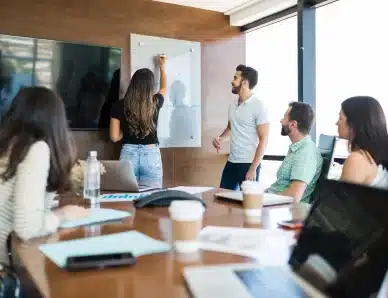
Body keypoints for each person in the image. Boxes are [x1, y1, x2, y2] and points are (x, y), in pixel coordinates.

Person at [0, 87, 90, 265]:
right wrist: (64, 214)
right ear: (56, 121)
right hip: (8, 265)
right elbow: (26, 229)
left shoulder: (11, 145)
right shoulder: (36, 149)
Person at [110, 55, 167, 188]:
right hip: (151, 154)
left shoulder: (118, 105)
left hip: (128, 153)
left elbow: (114, 137)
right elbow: (164, 89)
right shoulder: (155, 102)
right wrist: (162, 67)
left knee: (126, 198)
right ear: (150, 86)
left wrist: (127, 130)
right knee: (152, 197)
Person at [212, 64, 269, 190]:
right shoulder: (232, 105)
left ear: (244, 82)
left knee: (247, 206)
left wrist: (254, 168)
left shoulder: (258, 105)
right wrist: (220, 139)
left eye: (235, 78)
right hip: (231, 162)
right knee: (223, 199)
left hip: (249, 164)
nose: (232, 81)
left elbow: (264, 139)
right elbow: (231, 128)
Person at [267, 102, 323, 202]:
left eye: (284, 118)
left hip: (283, 210)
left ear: (293, 124)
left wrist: (262, 199)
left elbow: (294, 195)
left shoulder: (306, 153)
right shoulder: (297, 148)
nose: (281, 121)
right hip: (272, 203)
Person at [336, 96, 388, 187]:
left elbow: (339, 201)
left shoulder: (357, 160)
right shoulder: (373, 158)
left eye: (340, 118)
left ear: (354, 124)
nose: (337, 123)